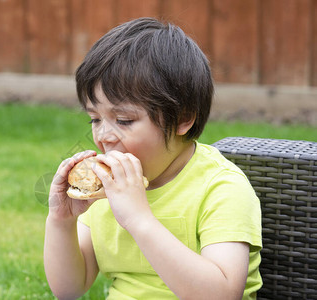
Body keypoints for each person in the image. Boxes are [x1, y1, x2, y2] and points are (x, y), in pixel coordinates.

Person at [44, 17, 262, 299]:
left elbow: (220, 294)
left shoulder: (221, 188)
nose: (104, 136)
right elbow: (69, 289)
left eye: (123, 120)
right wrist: (60, 221)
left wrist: (138, 219)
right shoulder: (106, 190)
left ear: (183, 118)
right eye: (95, 119)